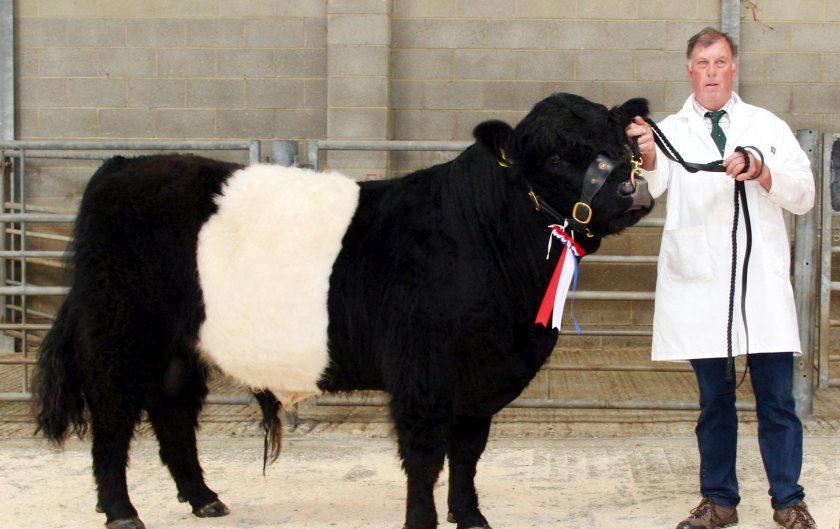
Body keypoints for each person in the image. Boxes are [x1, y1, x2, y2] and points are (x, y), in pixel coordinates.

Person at [625, 27, 817, 529]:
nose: (711, 72)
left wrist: (761, 170)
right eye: (702, 63)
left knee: (777, 398)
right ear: (689, 70)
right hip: (701, 287)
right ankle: (719, 501)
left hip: (759, 287)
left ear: (734, 69)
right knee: (715, 401)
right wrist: (644, 153)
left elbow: (804, 194)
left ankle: (788, 500)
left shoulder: (767, 126)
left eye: (720, 62)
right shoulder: (670, 129)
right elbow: (650, 187)